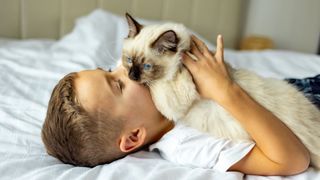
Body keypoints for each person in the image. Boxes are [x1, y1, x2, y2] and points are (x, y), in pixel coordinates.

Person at [41, 35, 310, 176]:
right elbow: (292, 160)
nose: (124, 67)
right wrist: (225, 91)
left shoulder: (164, 93)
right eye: (118, 85)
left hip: (294, 88)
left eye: (107, 70)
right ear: (135, 136)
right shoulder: (185, 144)